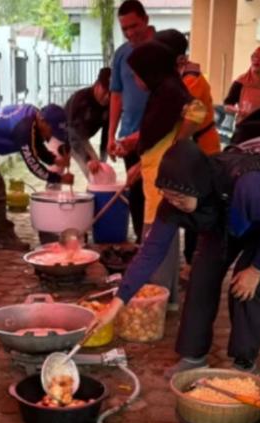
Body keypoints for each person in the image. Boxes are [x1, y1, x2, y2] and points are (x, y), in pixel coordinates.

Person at [99, 139, 260, 375]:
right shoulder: (175, 198)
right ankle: (193, 356)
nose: (174, 202)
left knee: (246, 288)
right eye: (168, 196)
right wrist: (116, 304)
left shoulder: (250, 185)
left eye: (180, 197)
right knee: (201, 279)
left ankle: (244, 361)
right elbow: (149, 254)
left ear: (198, 185)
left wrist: (256, 270)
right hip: (225, 222)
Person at [121, 41, 205, 309]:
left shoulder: (169, 91)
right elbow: (155, 136)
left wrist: (177, 145)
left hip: (162, 179)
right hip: (154, 175)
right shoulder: (163, 92)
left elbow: (197, 111)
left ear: (151, 70)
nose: (135, 79)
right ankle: (167, 298)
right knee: (161, 235)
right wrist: (139, 165)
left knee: (157, 238)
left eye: (137, 73)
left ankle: (158, 300)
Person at [153, 28, 222, 266]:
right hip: (191, 151)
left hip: (204, 151)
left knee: (198, 207)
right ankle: (191, 260)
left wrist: (170, 147)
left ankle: (195, 263)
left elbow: (184, 117)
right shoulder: (179, 79)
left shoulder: (193, 83)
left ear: (180, 59)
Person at [0, 103, 73, 251]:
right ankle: (4, 238)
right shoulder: (24, 128)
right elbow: (33, 165)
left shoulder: (34, 119)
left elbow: (36, 146)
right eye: (51, 131)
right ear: (42, 121)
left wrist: (55, 160)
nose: (50, 136)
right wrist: (58, 178)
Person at [107, 0, 155, 243]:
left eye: (134, 26)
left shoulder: (161, 49)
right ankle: (141, 241)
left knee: (156, 192)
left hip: (158, 137)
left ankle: (157, 243)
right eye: (125, 28)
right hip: (129, 136)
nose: (130, 32)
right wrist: (110, 135)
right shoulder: (121, 54)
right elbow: (116, 94)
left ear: (145, 20)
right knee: (136, 193)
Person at [224, 45, 260, 144]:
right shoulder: (241, 81)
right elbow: (227, 104)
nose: (257, 59)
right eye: (254, 56)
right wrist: (237, 110)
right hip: (242, 132)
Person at [64, 67, 111, 178]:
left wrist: (103, 161)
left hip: (81, 138)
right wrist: (87, 160)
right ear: (96, 85)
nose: (107, 97)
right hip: (62, 135)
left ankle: (94, 194)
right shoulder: (80, 100)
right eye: (105, 91)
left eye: (111, 93)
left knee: (98, 172)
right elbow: (72, 134)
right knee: (56, 170)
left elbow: (106, 136)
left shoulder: (110, 105)